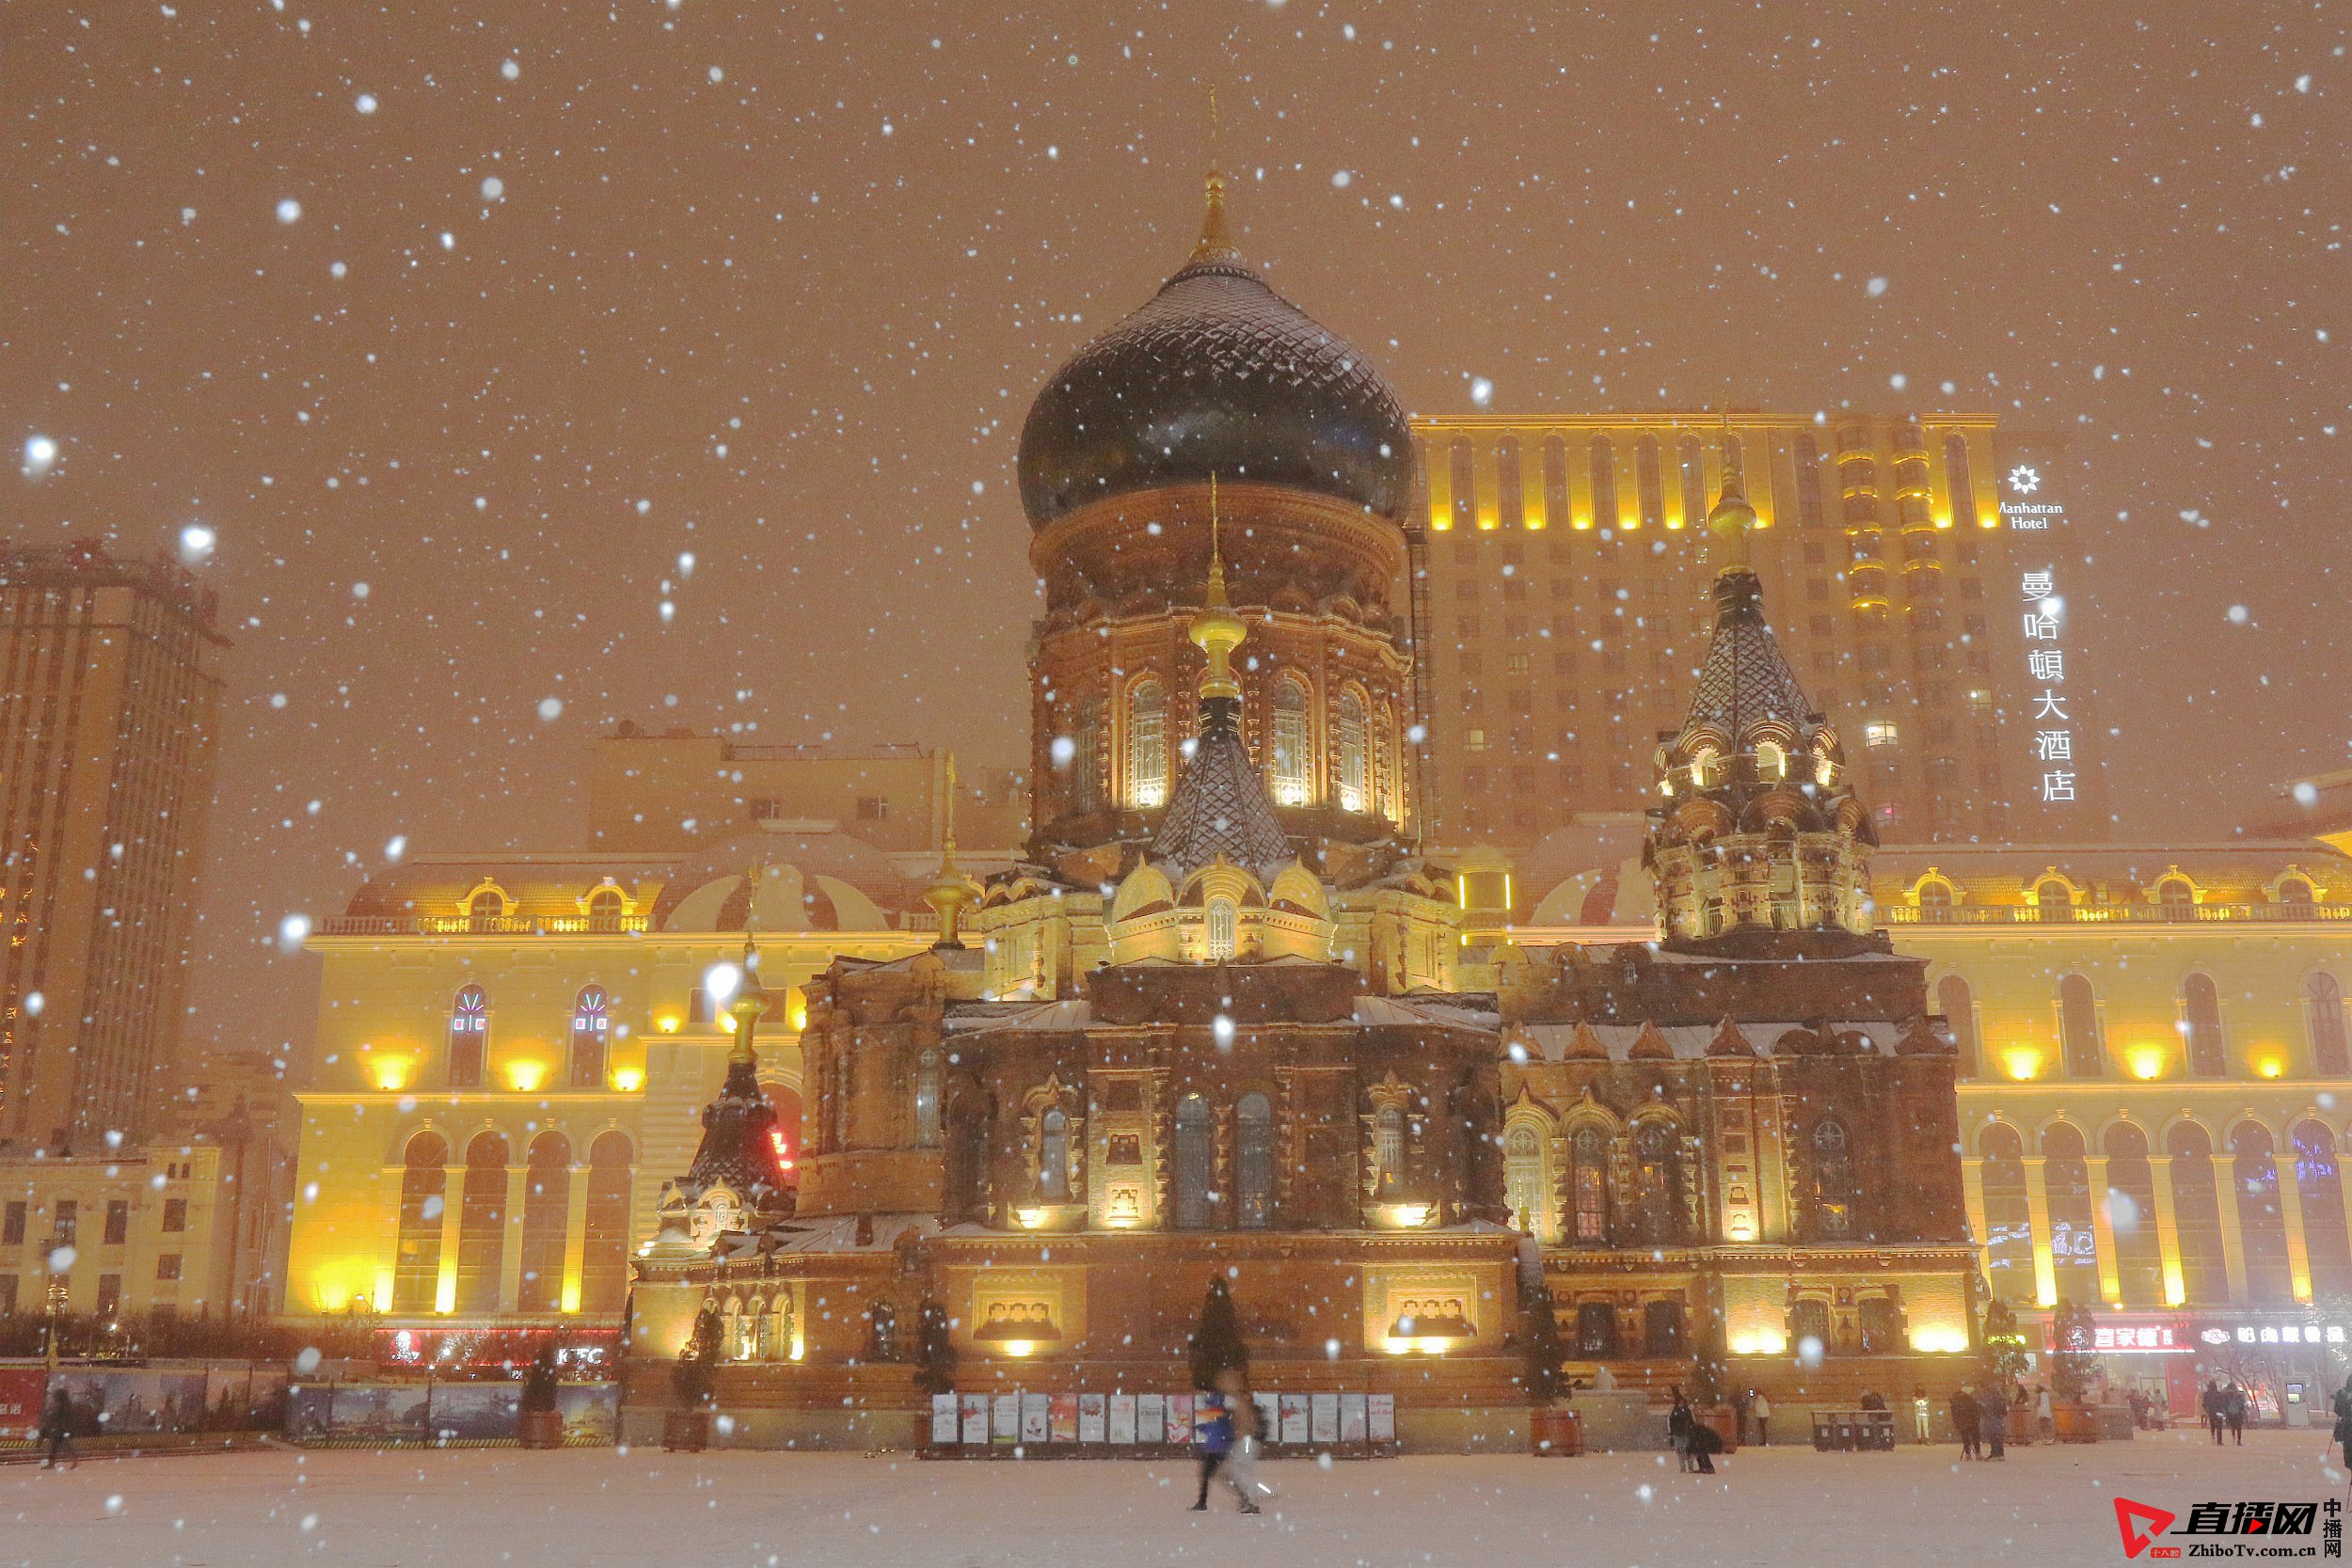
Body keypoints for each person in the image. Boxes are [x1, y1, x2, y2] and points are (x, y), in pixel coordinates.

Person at [1216, 1369, 1266, 1514]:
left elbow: (1242, 1422)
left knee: (1238, 1471)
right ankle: (1249, 1499)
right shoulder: (1236, 1399)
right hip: (1244, 1441)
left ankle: (1251, 1501)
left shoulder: (1237, 1399)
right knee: (1235, 1471)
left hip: (1245, 1442)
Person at [1190, 1387, 1239, 1513]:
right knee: (1218, 1476)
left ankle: (1202, 1502)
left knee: (1216, 1476)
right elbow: (1213, 1428)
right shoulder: (1219, 1417)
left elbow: (1219, 1430)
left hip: (1217, 1450)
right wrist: (1200, 1427)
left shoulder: (1222, 1416)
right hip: (1215, 1449)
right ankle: (1202, 1502)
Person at [38, 1386, 76, 1470]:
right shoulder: (66, 1404)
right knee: (58, 1446)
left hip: (60, 1429)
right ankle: (73, 1460)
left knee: (59, 1447)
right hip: (61, 1429)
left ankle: (53, 1463)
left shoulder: (61, 1405)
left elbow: (55, 1416)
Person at [1950, 1384, 1980, 1460]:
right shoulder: (1970, 1399)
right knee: (1975, 1437)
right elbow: (1974, 1410)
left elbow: (1954, 1412)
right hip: (1972, 1421)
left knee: (1965, 1438)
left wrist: (1956, 1422)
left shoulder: (1956, 1399)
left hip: (1962, 1422)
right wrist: (1976, 1419)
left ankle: (1968, 1454)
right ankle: (1977, 1453)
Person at [1669, 1386, 1695, 1472]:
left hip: (1685, 1433)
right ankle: (1683, 1467)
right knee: (1681, 1450)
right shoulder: (1677, 1412)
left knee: (1686, 1450)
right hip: (1679, 1433)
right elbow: (1671, 1423)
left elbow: (1691, 1421)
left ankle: (1689, 1467)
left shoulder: (1684, 1411)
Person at [1979, 1384, 2007, 1460]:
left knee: (1993, 1437)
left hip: (1991, 1419)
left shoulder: (1989, 1398)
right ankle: (2000, 1454)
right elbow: (2004, 1410)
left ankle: (1994, 1454)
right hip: (1999, 1419)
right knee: (1998, 1437)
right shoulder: (2000, 1397)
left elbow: (1985, 1408)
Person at [2226, 1382, 2248, 1446]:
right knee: (2239, 1427)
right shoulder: (2239, 1395)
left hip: (2230, 1413)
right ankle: (2238, 1440)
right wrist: (2243, 1410)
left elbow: (2225, 1404)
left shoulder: (2226, 1395)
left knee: (2233, 1427)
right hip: (2238, 1413)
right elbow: (2242, 1404)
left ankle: (2233, 1438)